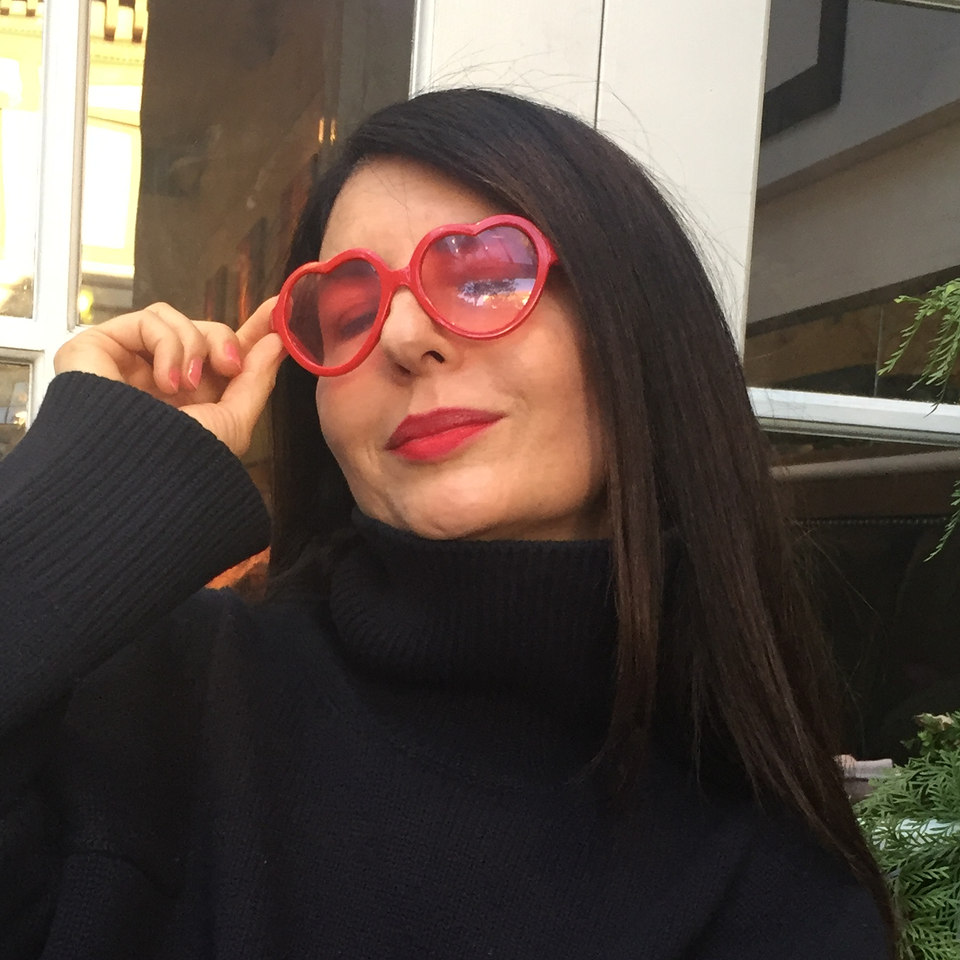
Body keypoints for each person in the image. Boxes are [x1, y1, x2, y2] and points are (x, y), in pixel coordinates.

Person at [1, 88, 894, 958]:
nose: (402, 337)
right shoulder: (152, 708)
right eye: (349, 309)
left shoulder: (781, 893)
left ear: (637, 323)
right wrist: (84, 488)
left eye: (487, 274)